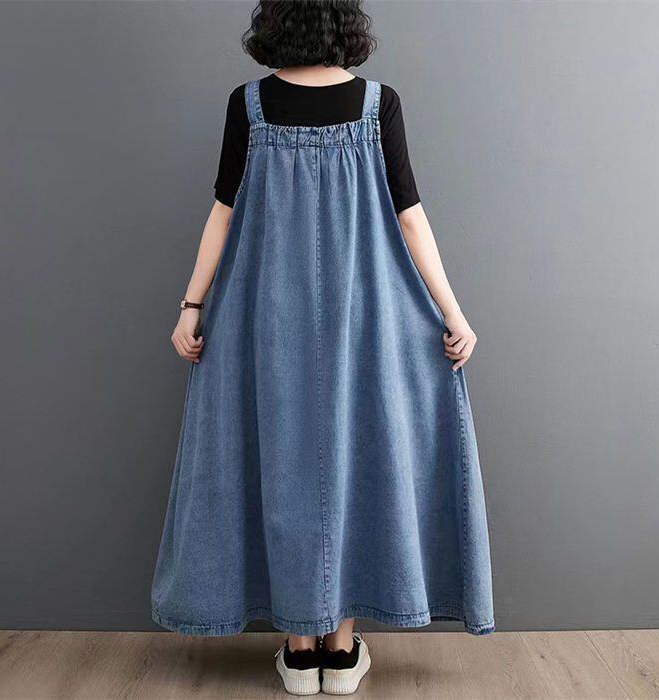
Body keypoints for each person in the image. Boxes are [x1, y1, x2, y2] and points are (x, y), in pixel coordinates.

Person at [152, 1, 494, 695]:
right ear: (345, 21)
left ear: (276, 20)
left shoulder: (250, 105)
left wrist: (191, 305)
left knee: (282, 461)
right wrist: (452, 312)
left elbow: (223, 211)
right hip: (364, 321)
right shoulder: (377, 104)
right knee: (354, 459)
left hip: (264, 318)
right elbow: (410, 216)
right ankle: (341, 650)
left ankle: (299, 647)